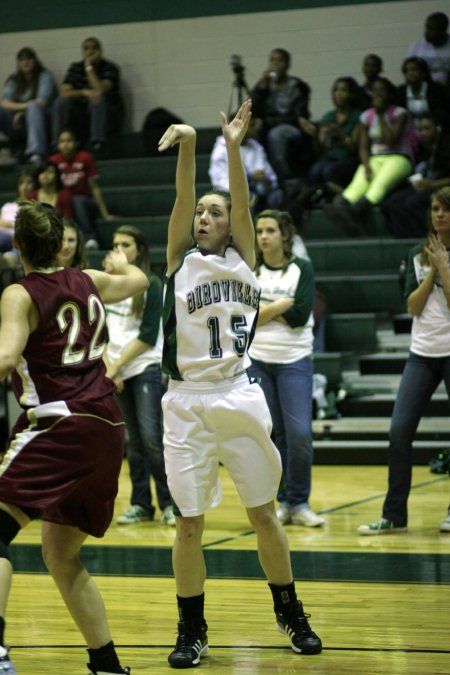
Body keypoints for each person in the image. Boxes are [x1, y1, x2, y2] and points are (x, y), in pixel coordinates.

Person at [158, 99, 322, 669]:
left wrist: (231, 144)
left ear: (231, 225)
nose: (203, 217)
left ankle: (291, 612)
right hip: (184, 402)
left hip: (238, 393)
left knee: (263, 514)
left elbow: (244, 201)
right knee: (188, 523)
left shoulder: (245, 258)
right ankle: (191, 628)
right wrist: (189, 143)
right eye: (200, 212)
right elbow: (182, 198)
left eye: (214, 212)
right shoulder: (179, 260)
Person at [0, 200, 149, 673]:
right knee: (60, 555)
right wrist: (124, 264)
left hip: (59, 422)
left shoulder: (19, 294)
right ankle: (106, 663)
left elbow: (6, 358)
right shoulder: (89, 280)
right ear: (61, 244)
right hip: (106, 427)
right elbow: (141, 281)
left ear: (17, 244)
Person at [358, 187, 450, 536]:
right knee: (398, 432)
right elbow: (413, 307)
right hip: (422, 354)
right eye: (435, 209)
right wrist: (431, 270)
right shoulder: (417, 253)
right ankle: (394, 514)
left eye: (445, 209)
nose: (438, 215)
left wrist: (445, 266)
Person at [248, 209, 325, 528]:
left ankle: (300, 501)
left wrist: (265, 311)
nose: (263, 236)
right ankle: (282, 501)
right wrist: (281, 306)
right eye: (260, 230)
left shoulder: (301, 269)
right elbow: (245, 317)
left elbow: (300, 315)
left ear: (285, 235)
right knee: (270, 435)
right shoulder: (250, 271)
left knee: (299, 435)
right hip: (259, 361)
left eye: (270, 230)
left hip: (294, 362)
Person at [104, 225, 175, 527]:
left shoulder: (153, 284)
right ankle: (141, 504)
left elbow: (147, 336)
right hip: (117, 371)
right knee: (131, 443)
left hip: (143, 367)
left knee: (151, 439)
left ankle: (171, 503)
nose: (119, 250)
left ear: (139, 250)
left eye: (126, 245)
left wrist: (115, 366)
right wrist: (110, 368)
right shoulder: (106, 285)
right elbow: (100, 334)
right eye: (115, 244)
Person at [324, 77, 414, 234]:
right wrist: (366, 166)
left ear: (389, 94)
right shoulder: (366, 115)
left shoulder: (400, 113)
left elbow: (391, 140)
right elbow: (363, 146)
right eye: (375, 91)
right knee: (357, 185)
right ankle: (341, 206)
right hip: (374, 158)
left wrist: (380, 115)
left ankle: (354, 214)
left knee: (378, 185)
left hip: (398, 157)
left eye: (381, 90)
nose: (377, 94)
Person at [381, 114, 450, 237]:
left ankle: (427, 238)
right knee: (392, 202)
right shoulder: (422, 147)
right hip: (426, 185)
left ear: (438, 128)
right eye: (420, 129)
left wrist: (431, 184)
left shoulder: (446, 147)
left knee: (413, 203)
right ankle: (403, 238)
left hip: (442, 186)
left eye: (427, 129)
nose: (423, 133)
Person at [51, 36, 124, 153]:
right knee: (61, 102)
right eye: (87, 49)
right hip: (83, 115)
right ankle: (57, 144)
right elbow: (64, 92)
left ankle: (97, 143)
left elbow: (100, 89)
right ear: (82, 52)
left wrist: (89, 68)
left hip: (108, 115)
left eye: (94, 48)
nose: (90, 51)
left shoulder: (110, 68)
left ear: (100, 51)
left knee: (97, 98)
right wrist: (84, 92)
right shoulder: (75, 68)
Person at [251, 49, 311, 184]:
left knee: (276, 134)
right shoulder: (265, 85)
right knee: (254, 130)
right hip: (269, 125)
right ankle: (259, 174)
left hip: (291, 126)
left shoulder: (298, 86)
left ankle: (284, 178)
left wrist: (268, 121)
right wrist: (261, 89)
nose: (275, 64)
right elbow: (252, 108)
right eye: (272, 60)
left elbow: (298, 115)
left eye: (280, 61)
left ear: (288, 65)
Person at [50, 128, 115, 248]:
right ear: (58, 144)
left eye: (69, 140)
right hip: (64, 204)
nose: (65, 144)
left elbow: (94, 187)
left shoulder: (86, 158)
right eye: (62, 141)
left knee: (76, 200)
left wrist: (105, 214)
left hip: (86, 203)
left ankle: (90, 238)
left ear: (76, 143)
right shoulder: (54, 161)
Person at [209, 114, 283, 213]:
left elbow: (272, 178)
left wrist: (266, 181)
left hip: (259, 193)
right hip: (232, 197)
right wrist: (249, 178)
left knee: (277, 195)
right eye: (252, 125)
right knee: (247, 198)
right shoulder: (221, 149)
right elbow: (222, 185)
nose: (257, 128)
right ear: (239, 128)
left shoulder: (256, 147)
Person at [0, 47, 56, 166]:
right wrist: (23, 109)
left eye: (28, 59)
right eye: (22, 60)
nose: (25, 62)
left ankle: (36, 153)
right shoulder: (14, 79)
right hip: (18, 124)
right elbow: (5, 103)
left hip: (42, 122)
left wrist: (22, 113)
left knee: (34, 107)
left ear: (34, 61)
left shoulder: (44, 76)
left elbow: (41, 102)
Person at [306, 76, 361, 190]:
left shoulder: (358, 116)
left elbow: (353, 148)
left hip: (348, 158)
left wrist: (338, 131)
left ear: (351, 94)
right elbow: (319, 149)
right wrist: (315, 135)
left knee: (329, 171)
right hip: (329, 157)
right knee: (314, 170)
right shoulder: (328, 117)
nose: (338, 94)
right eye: (336, 90)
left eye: (343, 90)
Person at [396, 57, 449, 130]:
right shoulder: (401, 91)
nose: (410, 73)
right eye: (406, 71)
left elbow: (442, 113)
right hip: (409, 131)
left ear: (423, 73)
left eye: (414, 70)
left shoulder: (435, 89)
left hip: (434, 128)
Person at [406, 12, 450, 86]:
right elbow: (408, 70)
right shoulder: (417, 46)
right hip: (423, 86)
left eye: (431, 29)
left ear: (443, 30)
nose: (426, 32)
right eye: (427, 27)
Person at [0, 170, 35, 256]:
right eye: (21, 183)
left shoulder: (35, 207)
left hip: (21, 241)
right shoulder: (7, 205)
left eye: (29, 182)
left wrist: (9, 224)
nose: (25, 187)